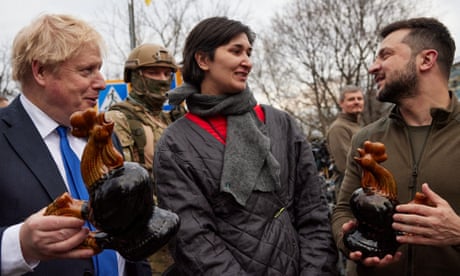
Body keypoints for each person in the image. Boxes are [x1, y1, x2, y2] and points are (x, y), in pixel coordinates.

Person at [153, 16, 338, 275]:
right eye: (235, 51)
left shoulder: (280, 123)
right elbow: (194, 241)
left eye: (249, 53)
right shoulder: (176, 143)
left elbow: (313, 212)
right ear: (203, 60)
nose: (247, 62)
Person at [0, 14, 151, 275]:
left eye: (99, 69)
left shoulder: (103, 136)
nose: (102, 83)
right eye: (87, 70)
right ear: (41, 71)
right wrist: (20, 245)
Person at [332, 17, 460, 276]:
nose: (372, 67)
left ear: (426, 60)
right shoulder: (367, 139)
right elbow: (343, 209)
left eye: (385, 55)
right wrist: (348, 243)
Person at [105, 43, 179, 275]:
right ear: (135, 76)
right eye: (153, 72)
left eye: (167, 73)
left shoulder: (173, 119)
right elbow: (122, 185)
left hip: (183, 234)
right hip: (147, 237)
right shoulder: (118, 119)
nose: (162, 79)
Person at [326, 85, 364, 199]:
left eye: (359, 99)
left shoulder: (357, 126)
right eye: (351, 99)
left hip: (364, 189)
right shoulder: (338, 128)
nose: (356, 102)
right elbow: (346, 165)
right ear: (341, 103)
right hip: (351, 193)